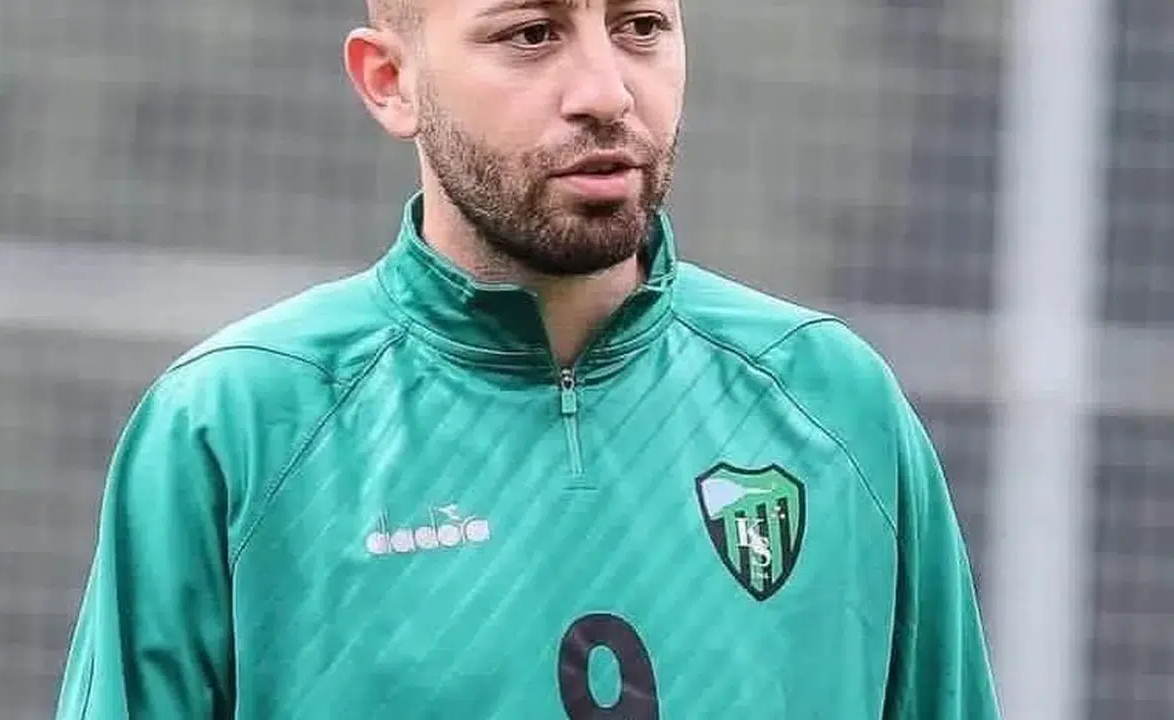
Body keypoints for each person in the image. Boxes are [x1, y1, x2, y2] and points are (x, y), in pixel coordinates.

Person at [55, 0, 1002, 717]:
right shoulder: (235, 427)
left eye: (639, 27)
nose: (605, 92)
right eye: (531, 34)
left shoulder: (834, 405)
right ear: (390, 81)